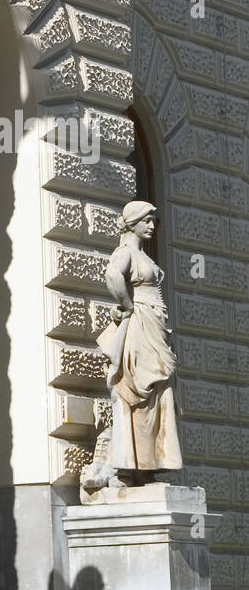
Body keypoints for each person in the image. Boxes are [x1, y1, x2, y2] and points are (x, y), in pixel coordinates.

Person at [98, 200, 182, 473]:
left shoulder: (143, 256)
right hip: (141, 325)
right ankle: (133, 463)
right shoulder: (126, 253)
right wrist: (127, 305)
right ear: (132, 222)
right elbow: (113, 275)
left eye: (153, 220)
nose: (152, 225)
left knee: (158, 388)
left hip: (155, 328)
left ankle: (152, 461)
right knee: (141, 389)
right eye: (146, 220)